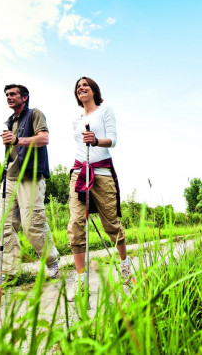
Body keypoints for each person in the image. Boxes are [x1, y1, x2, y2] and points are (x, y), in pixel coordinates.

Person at [0, 84, 59, 290]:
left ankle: (52, 261)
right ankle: (7, 273)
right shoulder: (10, 121)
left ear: (24, 98)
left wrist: (18, 140)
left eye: (13, 94)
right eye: (7, 95)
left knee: (32, 224)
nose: (9, 97)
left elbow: (44, 138)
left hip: (30, 176)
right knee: (4, 226)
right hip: (9, 178)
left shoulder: (34, 114)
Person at [66, 76, 132, 301]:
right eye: (78, 87)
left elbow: (113, 140)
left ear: (94, 90)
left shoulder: (105, 111)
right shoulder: (76, 120)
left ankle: (125, 268)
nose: (81, 88)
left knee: (111, 225)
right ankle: (81, 281)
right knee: (75, 225)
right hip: (79, 171)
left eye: (85, 85)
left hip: (102, 173)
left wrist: (95, 140)